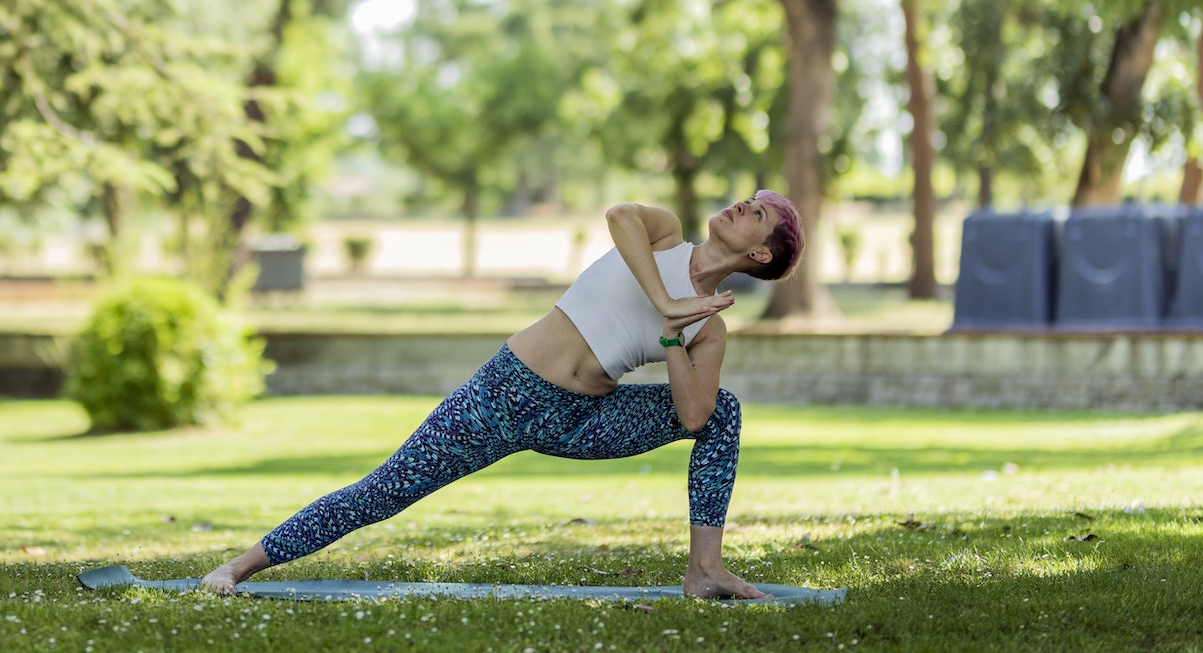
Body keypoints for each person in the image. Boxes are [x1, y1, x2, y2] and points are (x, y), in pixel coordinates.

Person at [201, 192, 805, 599]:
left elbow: (693, 414)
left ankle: (704, 569)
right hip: (503, 394)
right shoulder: (666, 235)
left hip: (582, 419)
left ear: (759, 253)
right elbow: (619, 216)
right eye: (747, 198)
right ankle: (241, 564)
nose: (741, 205)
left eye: (757, 213)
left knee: (723, 410)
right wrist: (666, 301)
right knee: (384, 490)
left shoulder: (710, 327)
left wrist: (673, 331)